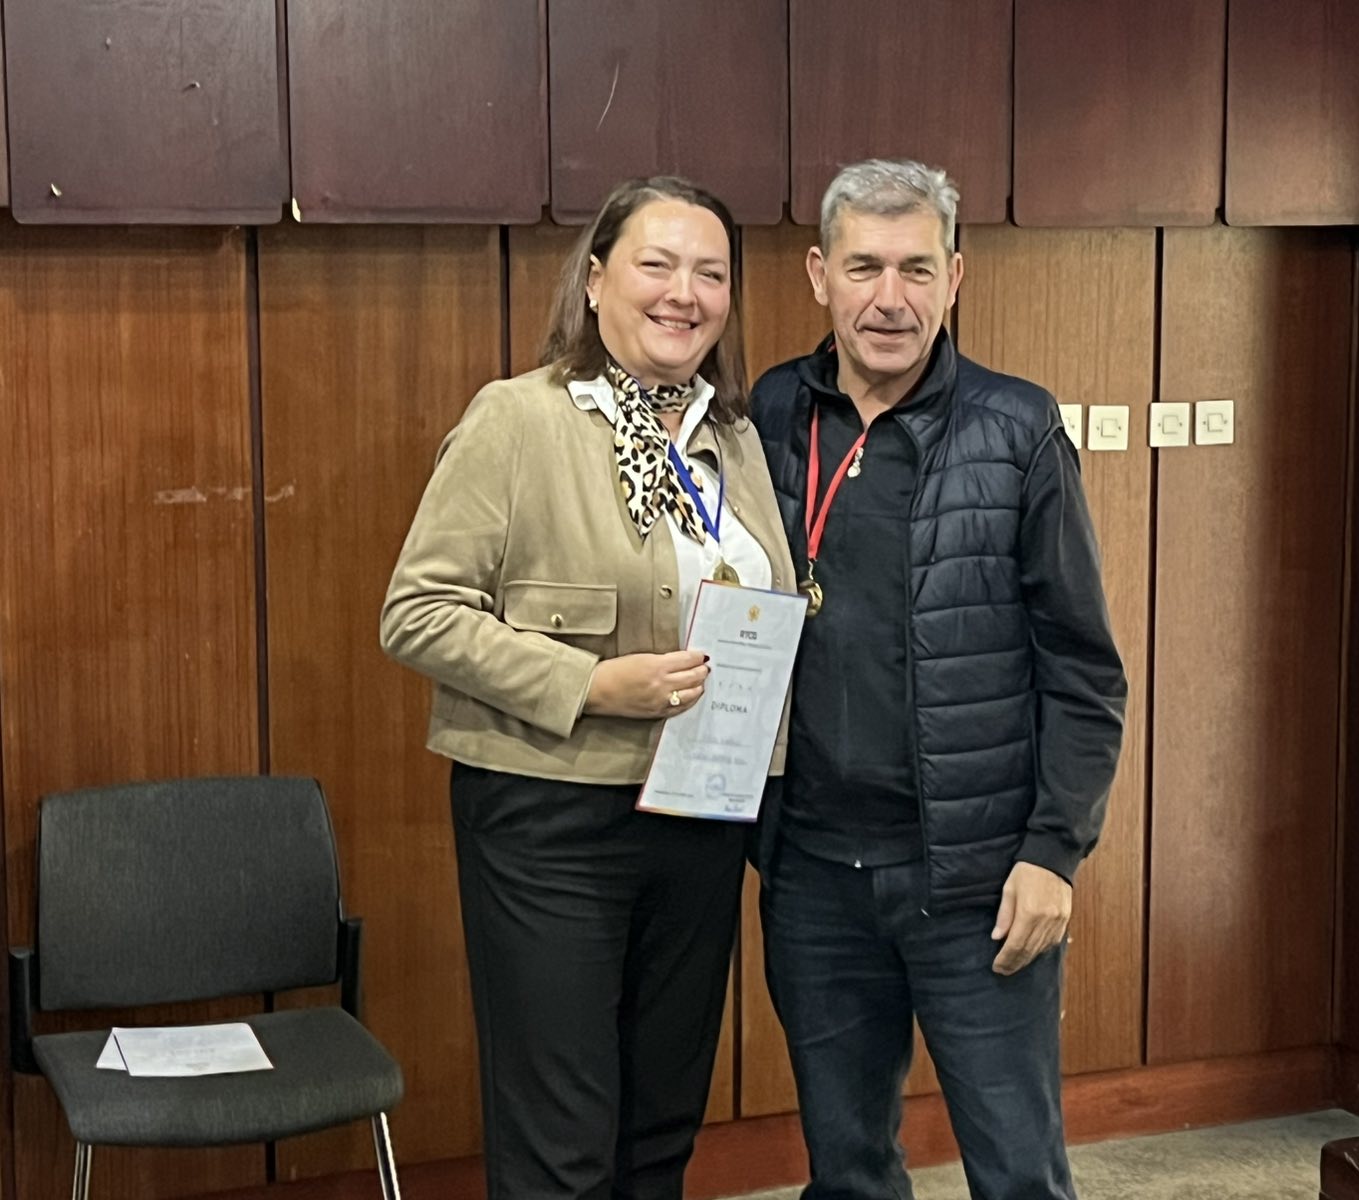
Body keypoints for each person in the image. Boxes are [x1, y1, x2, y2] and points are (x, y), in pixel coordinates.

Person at [380, 176, 794, 1200]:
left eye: (710, 273)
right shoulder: (517, 420)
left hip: (701, 819)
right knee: (561, 1148)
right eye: (658, 265)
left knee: (659, 1130)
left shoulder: (734, 439)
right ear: (597, 279)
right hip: (551, 822)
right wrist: (591, 683)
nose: (684, 293)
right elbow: (417, 613)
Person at [749, 159, 1128, 1200]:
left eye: (916, 269)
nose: (890, 298)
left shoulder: (1017, 429)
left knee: (1017, 1176)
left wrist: (1054, 852)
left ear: (954, 277)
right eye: (864, 267)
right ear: (818, 274)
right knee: (848, 1173)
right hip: (813, 875)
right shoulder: (771, 412)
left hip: (976, 882)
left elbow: (1084, 670)